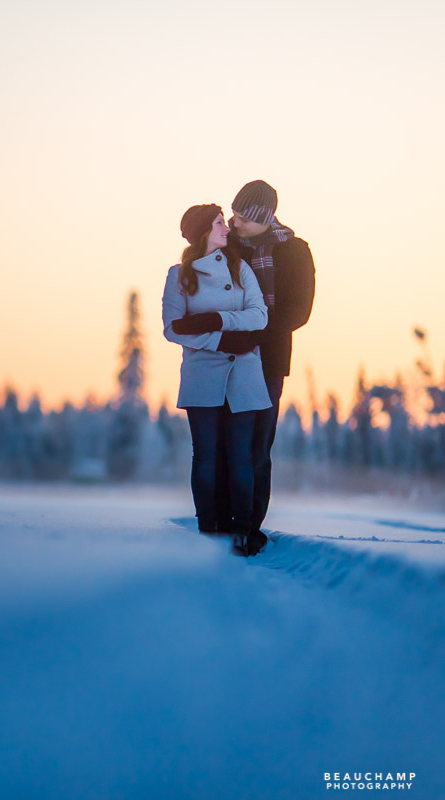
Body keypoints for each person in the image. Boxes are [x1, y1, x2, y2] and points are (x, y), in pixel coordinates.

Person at [162, 204, 271, 555]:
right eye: (219, 223)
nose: (227, 229)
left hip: (244, 374)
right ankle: (207, 528)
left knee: (241, 455)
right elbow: (173, 329)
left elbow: (259, 316)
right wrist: (220, 339)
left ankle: (242, 530)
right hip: (202, 376)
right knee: (205, 456)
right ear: (203, 232)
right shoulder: (178, 275)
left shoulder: (241, 269)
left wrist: (215, 319)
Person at [223, 180, 316, 550]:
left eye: (243, 217)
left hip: (269, 360)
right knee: (225, 443)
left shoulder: (295, 251)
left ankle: (249, 526)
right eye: (233, 214)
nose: (235, 222)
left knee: (257, 447)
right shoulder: (227, 246)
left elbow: (299, 309)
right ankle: (221, 520)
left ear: (264, 218)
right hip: (226, 357)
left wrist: (255, 332)